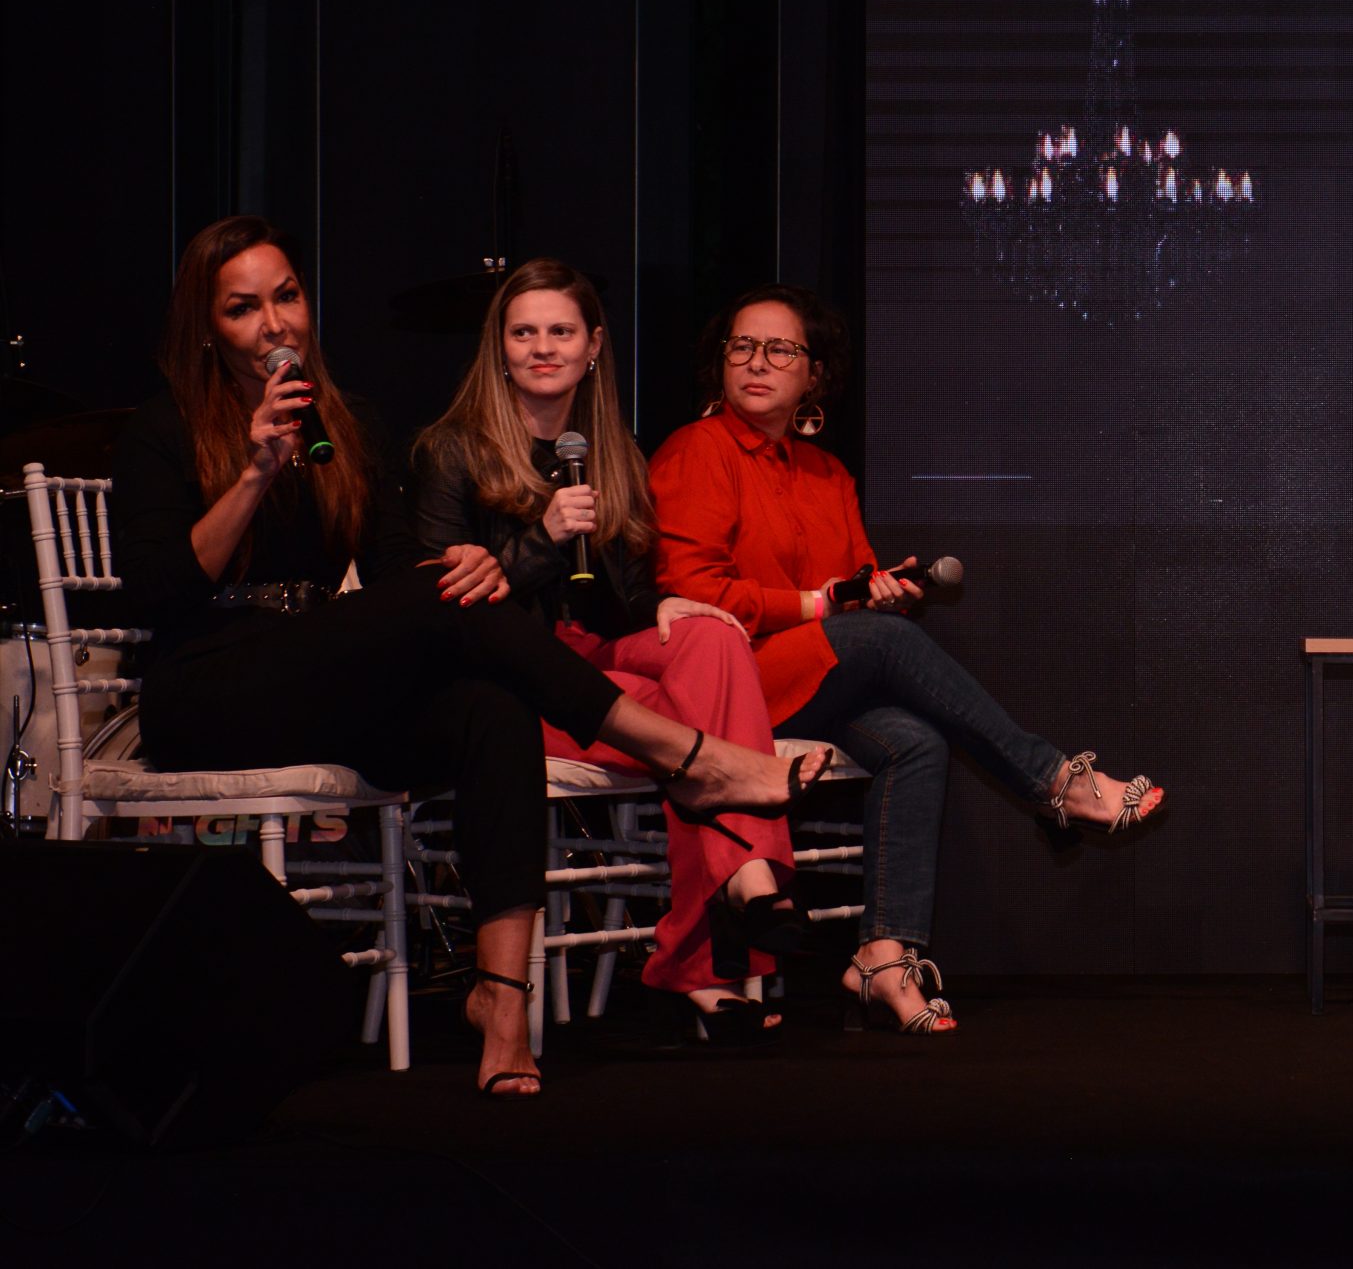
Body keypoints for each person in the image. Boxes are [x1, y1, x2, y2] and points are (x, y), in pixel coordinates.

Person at [116, 217, 812, 1096]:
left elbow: (406, 567)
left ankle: (502, 999)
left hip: (317, 681)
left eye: (285, 296)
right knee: (445, 602)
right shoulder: (163, 426)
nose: (274, 324)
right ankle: (684, 755)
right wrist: (255, 472)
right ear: (208, 326)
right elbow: (158, 593)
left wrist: (476, 563)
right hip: (208, 684)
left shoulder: (345, 424)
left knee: (492, 702)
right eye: (244, 308)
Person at [649, 284, 1165, 1034]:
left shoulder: (827, 474)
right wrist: (823, 605)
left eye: (780, 349)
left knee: (917, 743)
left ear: (815, 374)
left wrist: (884, 592)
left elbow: (848, 593)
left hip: (809, 677)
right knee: (885, 646)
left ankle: (884, 956)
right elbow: (694, 591)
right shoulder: (697, 450)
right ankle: (1055, 780)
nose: (758, 362)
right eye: (742, 346)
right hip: (724, 685)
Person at [412, 258, 807, 1044]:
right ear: (499, 347)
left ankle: (734, 893)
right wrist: (545, 539)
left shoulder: (611, 447)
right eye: (523, 332)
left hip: (591, 658)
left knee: (711, 640)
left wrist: (673, 602)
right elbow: (436, 608)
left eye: (561, 331)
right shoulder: (448, 449)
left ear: (594, 344)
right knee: (708, 733)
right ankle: (724, 917)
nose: (543, 348)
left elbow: (624, 603)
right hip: (506, 685)